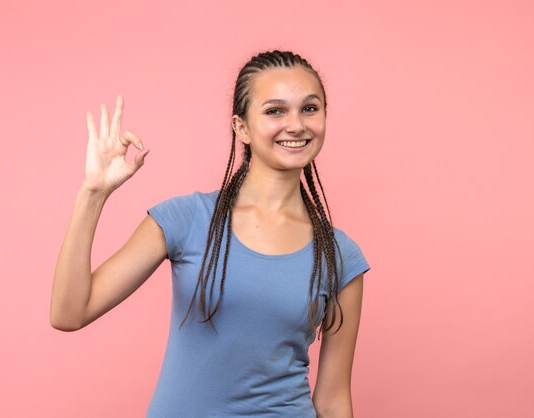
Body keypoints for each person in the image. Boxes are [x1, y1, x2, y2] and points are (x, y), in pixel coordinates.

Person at [51, 50, 371, 418]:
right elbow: (69, 313)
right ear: (241, 127)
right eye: (275, 111)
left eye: (310, 109)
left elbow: (332, 401)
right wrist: (93, 194)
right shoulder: (185, 219)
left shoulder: (340, 256)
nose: (296, 125)